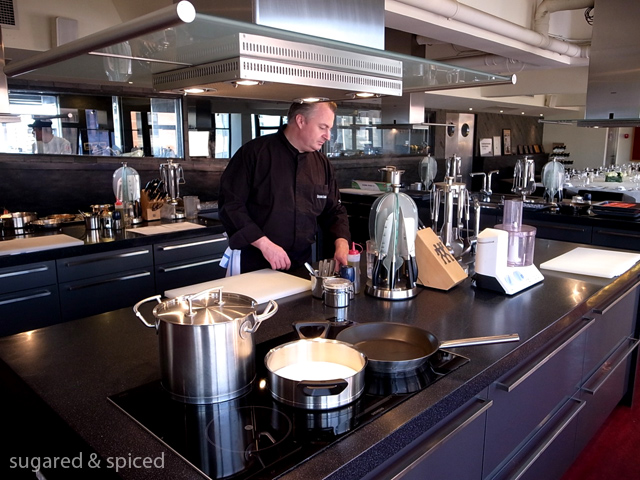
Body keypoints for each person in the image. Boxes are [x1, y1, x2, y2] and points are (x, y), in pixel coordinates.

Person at [218, 101, 351, 275]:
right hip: (255, 263)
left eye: (329, 129)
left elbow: (334, 210)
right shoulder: (254, 154)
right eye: (322, 127)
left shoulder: (322, 164)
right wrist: (264, 244)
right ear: (300, 121)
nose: (328, 136)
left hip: (302, 264)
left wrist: (341, 242)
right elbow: (231, 206)